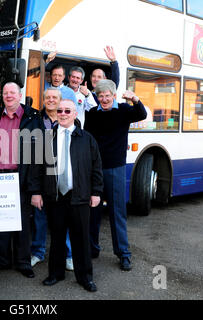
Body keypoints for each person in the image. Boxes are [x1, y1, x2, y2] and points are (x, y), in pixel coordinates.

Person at [0, 82, 44, 279]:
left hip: (21, 177)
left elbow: (38, 155)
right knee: (0, 221)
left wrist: (35, 188)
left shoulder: (32, 117)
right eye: (5, 93)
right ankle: (1, 260)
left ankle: (23, 262)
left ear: (20, 94)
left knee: (22, 222)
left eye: (12, 93)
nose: (8, 96)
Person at [39, 99, 103, 292]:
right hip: (56, 196)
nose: (63, 113)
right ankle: (55, 273)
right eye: (60, 110)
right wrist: (37, 192)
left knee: (81, 238)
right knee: (57, 237)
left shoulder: (87, 138)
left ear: (75, 114)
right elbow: (38, 168)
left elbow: (96, 167)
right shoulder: (47, 138)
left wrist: (96, 192)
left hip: (80, 196)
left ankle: (85, 277)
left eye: (68, 110)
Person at [84, 79, 147, 271]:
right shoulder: (93, 113)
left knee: (117, 212)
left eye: (107, 96)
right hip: (95, 170)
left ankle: (123, 254)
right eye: (100, 96)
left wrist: (134, 98)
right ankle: (92, 248)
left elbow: (141, 114)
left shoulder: (123, 111)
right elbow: (88, 139)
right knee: (92, 212)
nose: (104, 99)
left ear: (113, 96)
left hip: (115, 169)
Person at [30, 87, 74, 272]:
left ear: (60, 100)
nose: (51, 100)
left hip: (64, 177)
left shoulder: (71, 120)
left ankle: (69, 255)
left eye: (54, 97)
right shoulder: (35, 120)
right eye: (47, 97)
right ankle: (38, 252)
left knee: (66, 220)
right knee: (40, 218)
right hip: (43, 177)